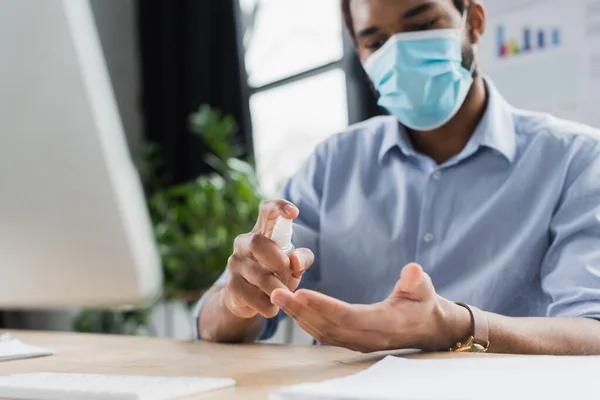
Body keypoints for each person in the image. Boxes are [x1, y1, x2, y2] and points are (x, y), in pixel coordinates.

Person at [195, 0, 600, 354]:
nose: (400, 53)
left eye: (423, 26)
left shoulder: (576, 160)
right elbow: (215, 324)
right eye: (376, 42)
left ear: (473, 22)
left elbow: (592, 331)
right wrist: (239, 299)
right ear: (360, 53)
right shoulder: (332, 163)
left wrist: (458, 326)